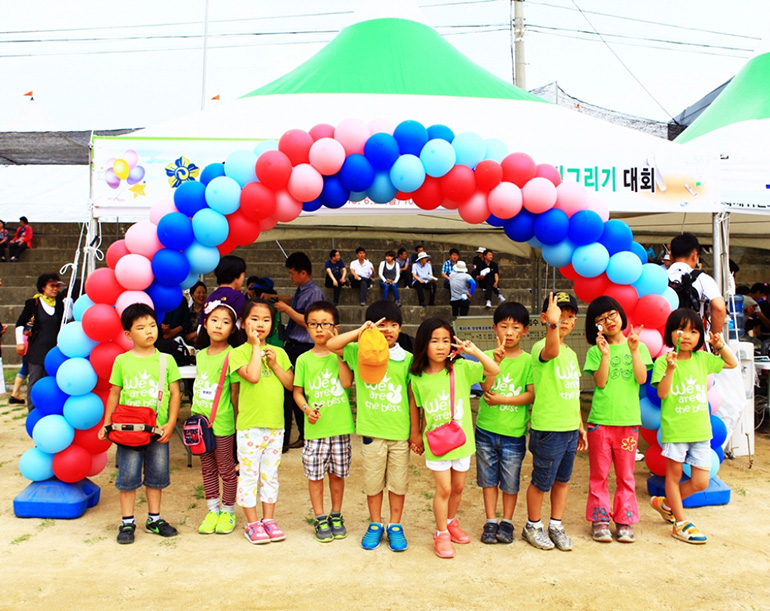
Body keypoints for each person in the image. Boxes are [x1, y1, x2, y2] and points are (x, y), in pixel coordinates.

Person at [409, 318, 499, 559]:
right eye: (434, 341)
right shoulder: (417, 377)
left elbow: (494, 370)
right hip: (437, 443)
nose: (441, 346)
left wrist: (474, 351)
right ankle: (441, 533)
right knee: (444, 488)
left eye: (446, 341)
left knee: (458, 487)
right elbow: (416, 409)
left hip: (462, 440)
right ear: (423, 344)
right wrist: (415, 435)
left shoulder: (460, 368)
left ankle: (450, 521)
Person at [327, 301, 413, 552]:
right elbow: (332, 345)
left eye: (393, 325)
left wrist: (415, 433)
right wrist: (362, 330)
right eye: (382, 325)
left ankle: (395, 525)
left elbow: (411, 397)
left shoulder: (406, 358)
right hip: (372, 433)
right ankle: (375, 524)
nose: (388, 330)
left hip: (399, 433)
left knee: (398, 484)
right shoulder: (358, 351)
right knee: (373, 483)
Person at [650, 308, 737, 544]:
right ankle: (680, 523)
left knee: (701, 481)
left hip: (700, 430)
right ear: (671, 333)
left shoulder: (703, 359)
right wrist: (669, 369)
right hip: (676, 430)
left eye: (693, 331)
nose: (687, 335)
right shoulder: (663, 361)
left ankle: (667, 503)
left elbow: (732, 362)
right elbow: (662, 393)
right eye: (681, 329)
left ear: (700, 336)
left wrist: (719, 345)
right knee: (674, 475)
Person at [98, 304, 181, 545]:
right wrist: (107, 423)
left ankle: (154, 519)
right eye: (141, 327)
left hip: (157, 430)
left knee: (157, 476)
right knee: (128, 476)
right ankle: (127, 522)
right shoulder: (122, 361)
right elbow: (114, 393)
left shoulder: (167, 360)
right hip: (127, 431)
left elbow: (175, 393)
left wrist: (171, 422)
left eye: (152, 326)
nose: (149, 331)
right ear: (128, 334)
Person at [583, 297, 652, 544]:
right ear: (595, 326)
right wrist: (604, 354)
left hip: (628, 423)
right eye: (600, 319)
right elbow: (600, 382)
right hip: (600, 422)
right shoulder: (594, 351)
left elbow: (642, 379)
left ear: (621, 314)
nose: (608, 322)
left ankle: (625, 519)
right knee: (599, 475)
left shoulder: (639, 346)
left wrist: (634, 350)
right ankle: (600, 519)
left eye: (611, 315)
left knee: (626, 475)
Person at [522, 292, 587, 552]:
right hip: (549, 429)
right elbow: (551, 350)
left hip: (570, 428)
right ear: (546, 319)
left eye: (570, 317)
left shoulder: (571, 354)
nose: (566, 321)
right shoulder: (542, 347)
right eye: (561, 316)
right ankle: (532, 525)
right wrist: (552, 324)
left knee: (563, 480)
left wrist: (580, 425)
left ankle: (556, 524)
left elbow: (575, 393)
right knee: (541, 481)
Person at [230, 299, 294, 544]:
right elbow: (253, 376)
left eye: (266, 320)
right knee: (248, 475)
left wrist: (275, 362)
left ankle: (269, 520)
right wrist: (256, 348)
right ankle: (252, 523)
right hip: (249, 427)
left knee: (270, 474)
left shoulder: (280, 352)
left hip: (275, 425)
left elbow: (289, 384)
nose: (260, 324)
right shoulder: (237, 354)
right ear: (243, 322)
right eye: (254, 319)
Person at [292, 301, 354, 543]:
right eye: (314, 324)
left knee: (338, 475)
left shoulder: (344, 354)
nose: (319, 329)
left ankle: (336, 515)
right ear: (307, 327)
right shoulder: (304, 360)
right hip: (315, 429)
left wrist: (338, 352)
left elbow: (347, 383)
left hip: (340, 427)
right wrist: (306, 409)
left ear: (335, 327)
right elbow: (298, 392)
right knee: (315, 475)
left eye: (325, 324)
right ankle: (319, 517)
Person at [476, 302, 533, 545]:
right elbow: (485, 388)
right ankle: (490, 521)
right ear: (494, 329)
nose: (509, 332)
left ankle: (507, 522)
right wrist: (494, 364)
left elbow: (530, 395)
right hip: (486, 430)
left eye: (515, 327)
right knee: (488, 479)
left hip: (514, 432)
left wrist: (503, 400)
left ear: (525, 331)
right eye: (504, 326)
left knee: (510, 480)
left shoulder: (529, 361)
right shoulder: (488, 357)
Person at [191, 301, 240, 536]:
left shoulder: (233, 356)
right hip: (199, 424)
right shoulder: (200, 356)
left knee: (226, 469)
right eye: (214, 320)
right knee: (207, 468)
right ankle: (213, 509)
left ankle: (228, 511)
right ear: (205, 323)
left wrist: (239, 423)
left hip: (222, 422)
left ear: (233, 329)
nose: (219, 325)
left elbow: (236, 394)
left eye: (226, 321)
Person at [271, 252, 325, 451]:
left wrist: (286, 309)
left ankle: (304, 434)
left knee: (298, 391)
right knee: (291, 391)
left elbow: (310, 321)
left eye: (293, 274)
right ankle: (298, 434)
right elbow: (293, 301)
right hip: (293, 345)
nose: (291, 277)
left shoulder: (314, 292)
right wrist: (274, 298)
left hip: (304, 347)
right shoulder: (302, 290)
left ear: (303, 273)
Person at [15, 273, 65, 412]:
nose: (55, 289)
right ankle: (33, 410)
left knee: (53, 382)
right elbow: (20, 324)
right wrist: (20, 343)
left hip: (55, 351)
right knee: (35, 380)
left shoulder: (61, 304)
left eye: (57, 286)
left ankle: (51, 409)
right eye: (52, 286)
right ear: (43, 287)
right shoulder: (33, 304)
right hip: (37, 350)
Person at [667, 232, 726, 335]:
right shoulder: (703, 279)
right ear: (695, 255)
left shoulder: (659, 277)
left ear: (671, 256)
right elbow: (719, 307)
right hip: (692, 340)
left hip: (663, 339)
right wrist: (715, 337)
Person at [199, 255, 246, 328]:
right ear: (236, 275)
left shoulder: (210, 297)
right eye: (243, 275)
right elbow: (239, 325)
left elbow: (200, 327)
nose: (243, 279)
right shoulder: (237, 297)